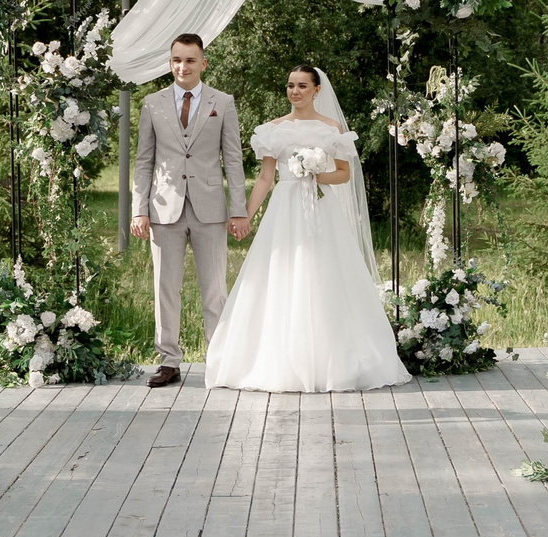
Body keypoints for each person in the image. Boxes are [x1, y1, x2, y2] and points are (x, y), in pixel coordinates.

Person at [205, 66, 405, 393]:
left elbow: (343, 173)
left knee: (323, 274)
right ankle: (277, 360)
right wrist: (245, 215)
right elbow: (267, 179)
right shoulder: (273, 129)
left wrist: (314, 174)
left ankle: (331, 359)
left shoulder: (331, 128)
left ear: (316, 90)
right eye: (290, 86)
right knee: (280, 275)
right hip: (285, 210)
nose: (294, 91)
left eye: (301, 86)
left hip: (321, 209)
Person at [129, 34, 248, 388]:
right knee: (166, 287)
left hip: (210, 209)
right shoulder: (152, 103)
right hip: (164, 208)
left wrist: (238, 209)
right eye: (177, 60)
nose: (183, 66)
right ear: (170, 63)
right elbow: (144, 160)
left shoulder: (222, 102)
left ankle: (217, 359)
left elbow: (234, 160)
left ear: (203, 63)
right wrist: (139, 209)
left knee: (214, 289)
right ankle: (169, 361)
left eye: (191, 60)